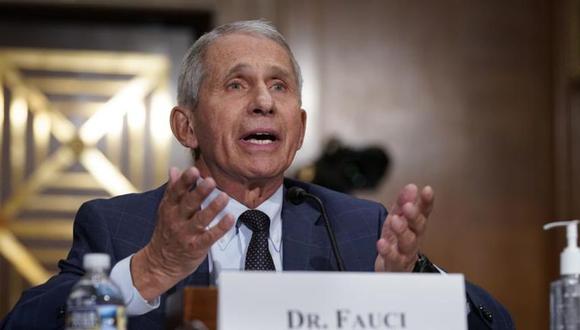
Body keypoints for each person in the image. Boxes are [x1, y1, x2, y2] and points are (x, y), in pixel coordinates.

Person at [1, 20, 514, 330]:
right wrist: (148, 272)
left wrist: (412, 284)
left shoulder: (358, 227)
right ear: (186, 126)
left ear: (299, 128)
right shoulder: (119, 226)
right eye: (237, 85)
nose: (264, 103)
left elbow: (497, 323)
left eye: (279, 87)